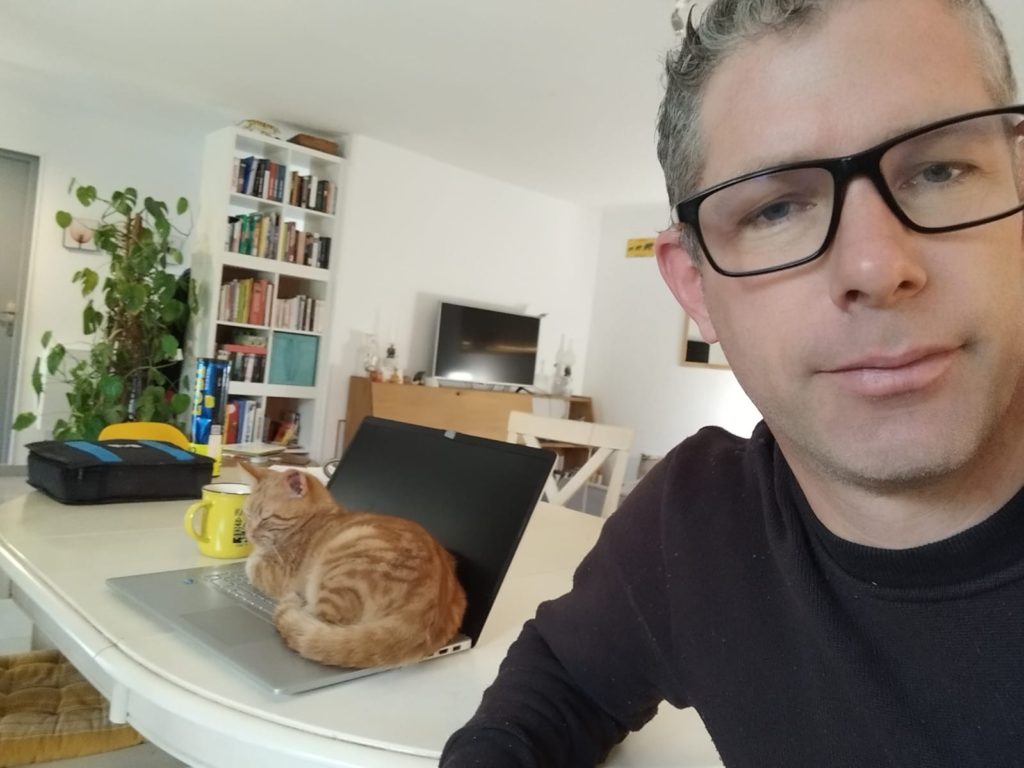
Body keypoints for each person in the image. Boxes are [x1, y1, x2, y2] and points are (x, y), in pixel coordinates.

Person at [440, 0, 1024, 765]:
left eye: (940, 170)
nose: (877, 267)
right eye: (776, 209)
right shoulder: (696, 521)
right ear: (695, 289)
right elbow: (564, 676)